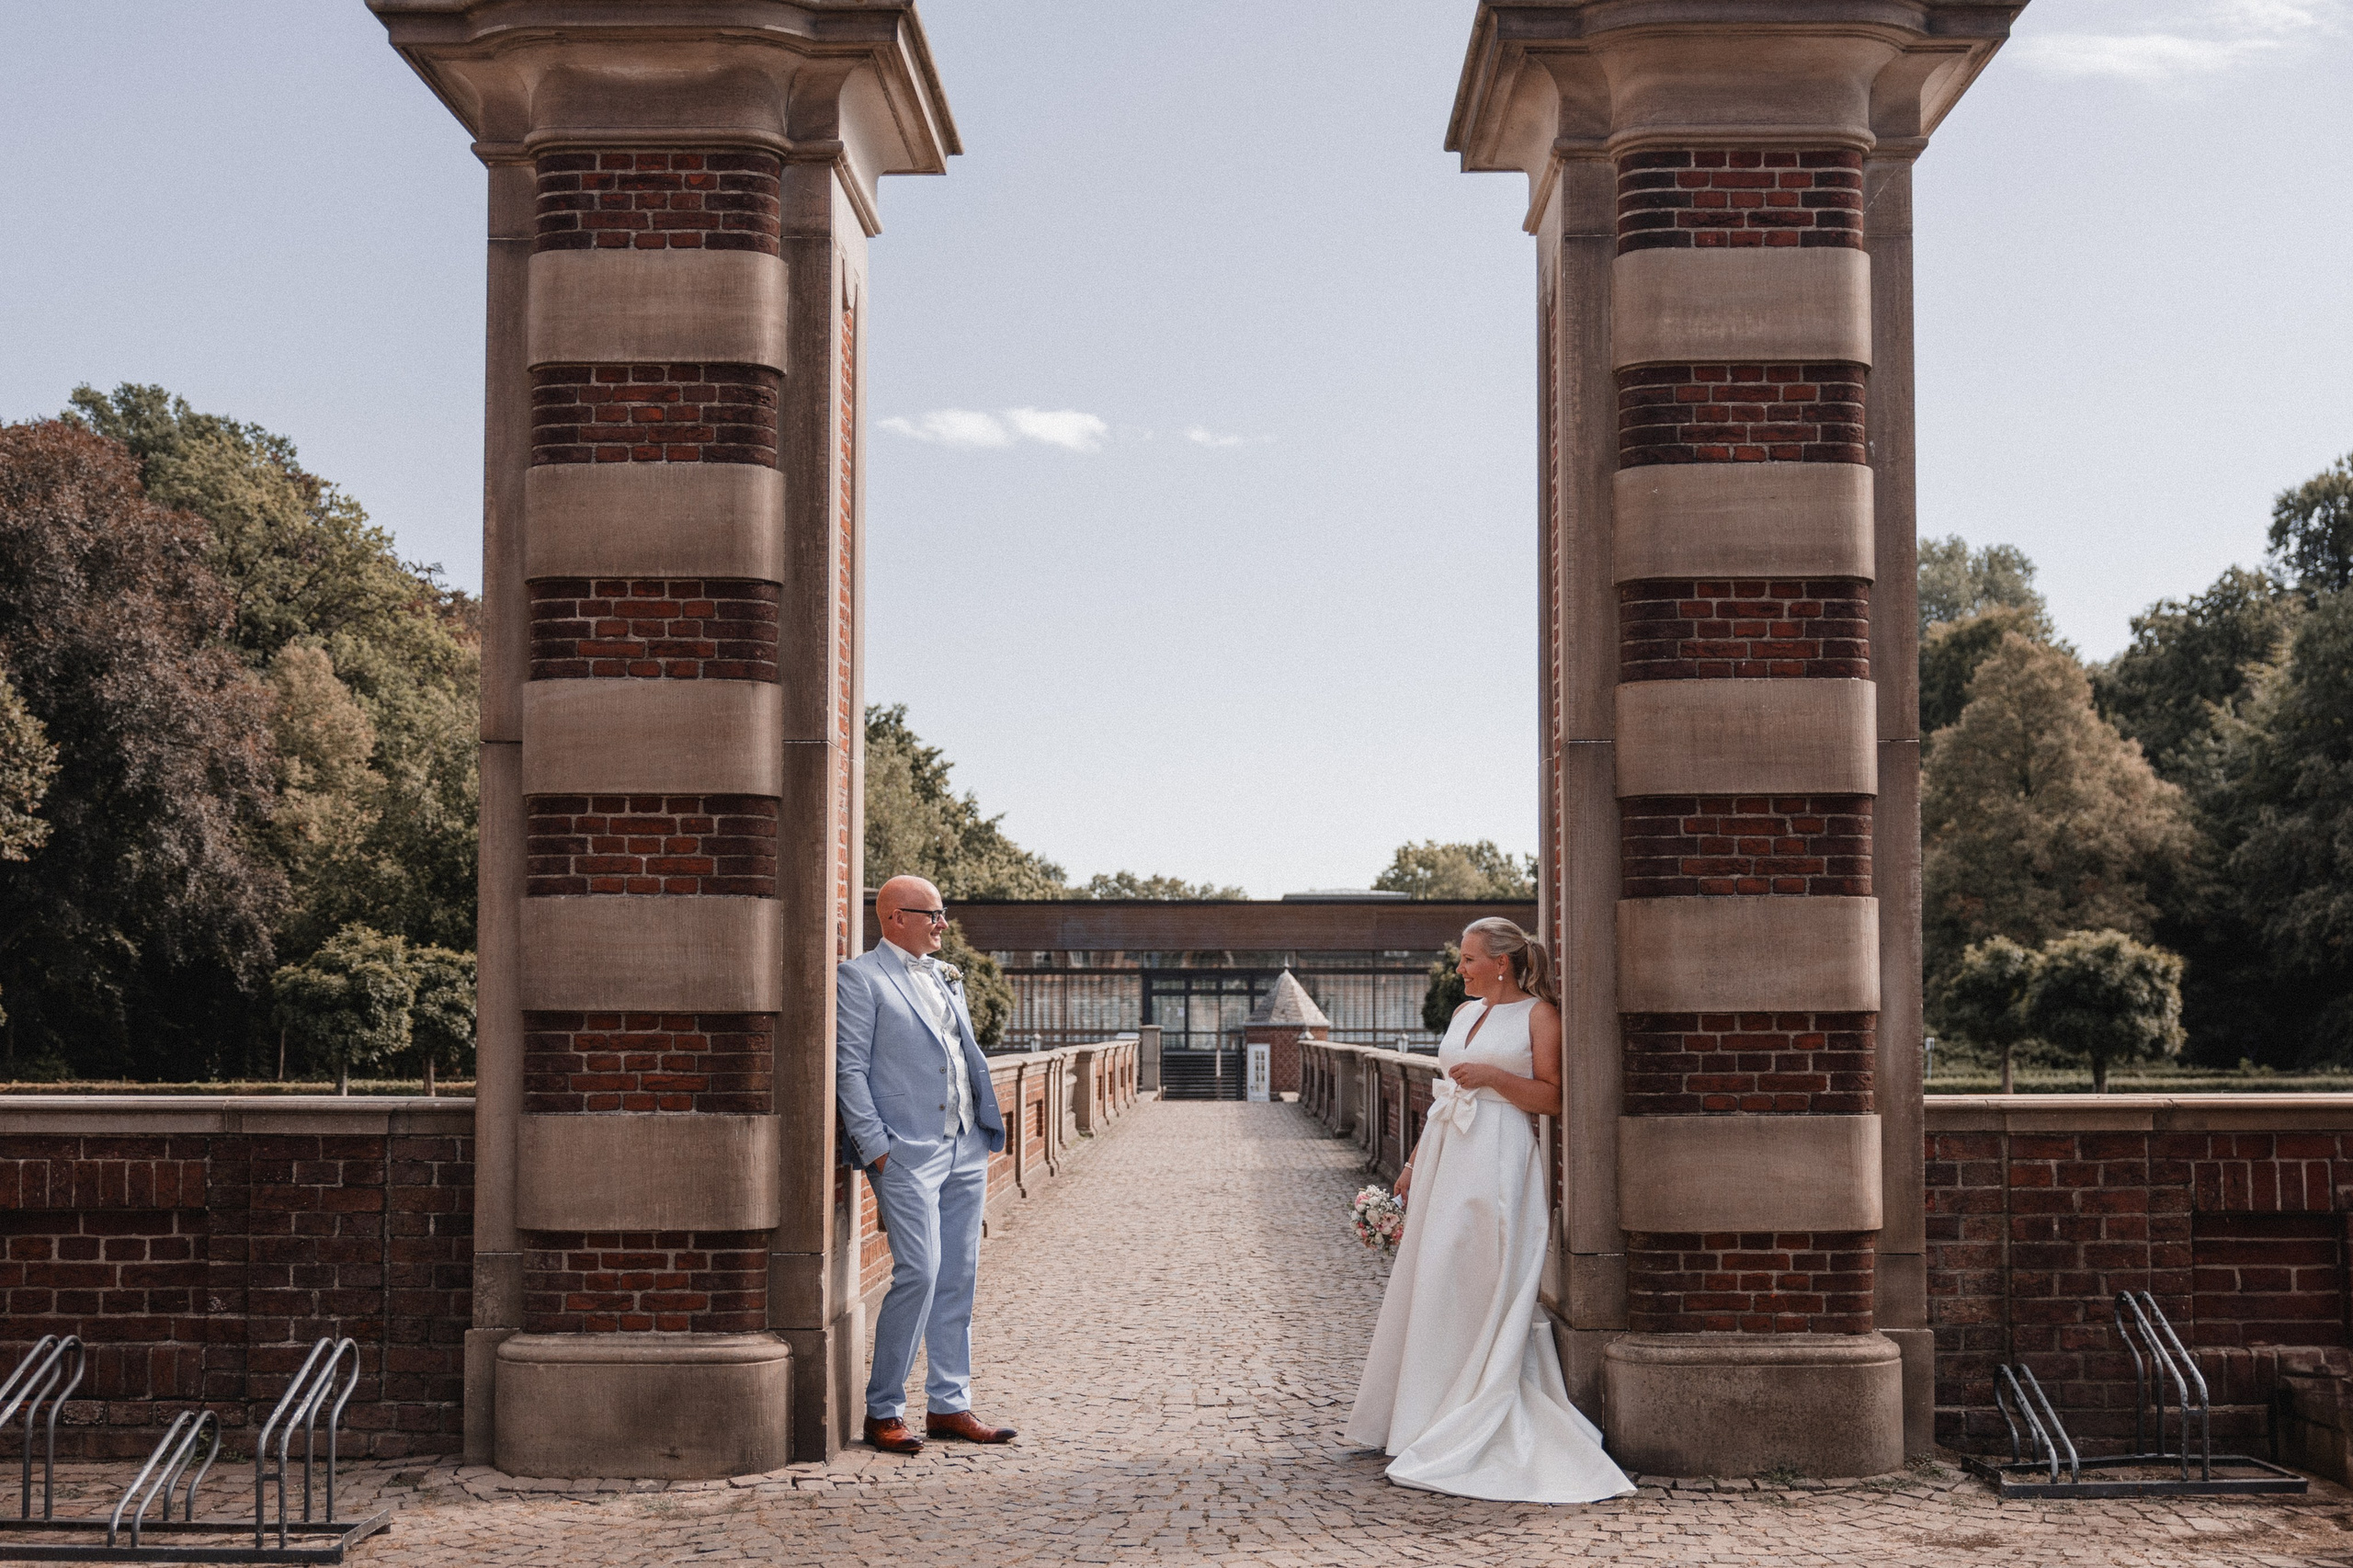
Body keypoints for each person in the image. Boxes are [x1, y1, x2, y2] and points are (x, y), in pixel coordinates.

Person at [1344, 916, 1633, 1503]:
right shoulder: (1462, 1014)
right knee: (1436, 1276)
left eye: (1469, 959)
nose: (1460, 969)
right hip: (1447, 1153)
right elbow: (1446, 1098)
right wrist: (1412, 1164)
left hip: (1498, 1159)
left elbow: (1553, 1098)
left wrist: (1495, 1077)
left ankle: (1472, 1403)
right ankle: (1421, 1414)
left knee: (1478, 1275)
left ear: (1501, 963)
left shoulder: (1539, 1016)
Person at [836, 875, 1017, 1455]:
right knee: (921, 1270)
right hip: (907, 1152)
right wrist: (878, 1149)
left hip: (965, 1144)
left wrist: (980, 1129)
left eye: (942, 913)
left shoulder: (945, 975)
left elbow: (960, 1053)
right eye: (932, 914)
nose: (942, 923)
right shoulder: (860, 978)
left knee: (959, 1273)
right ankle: (883, 1410)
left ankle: (949, 1404)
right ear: (896, 918)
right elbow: (849, 1070)